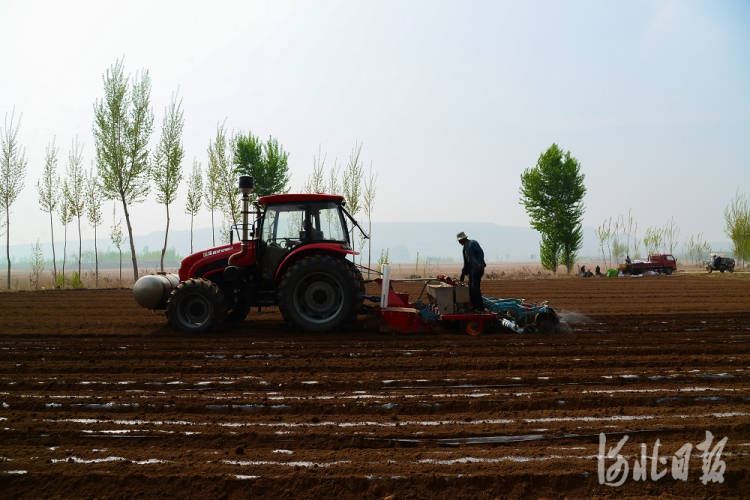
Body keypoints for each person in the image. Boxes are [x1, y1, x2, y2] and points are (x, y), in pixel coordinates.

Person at [457, 231, 486, 311]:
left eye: (460, 240)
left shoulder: (473, 243)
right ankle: (474, 306)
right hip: (472, 270)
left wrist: (479, 264)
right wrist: (463, 274)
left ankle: (480, 307)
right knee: (470, 288)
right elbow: (466, 262)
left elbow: (481, 253)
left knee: (475, 288)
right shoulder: (464, 249)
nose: (459, 242)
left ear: (464, 239)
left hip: (478, 269)